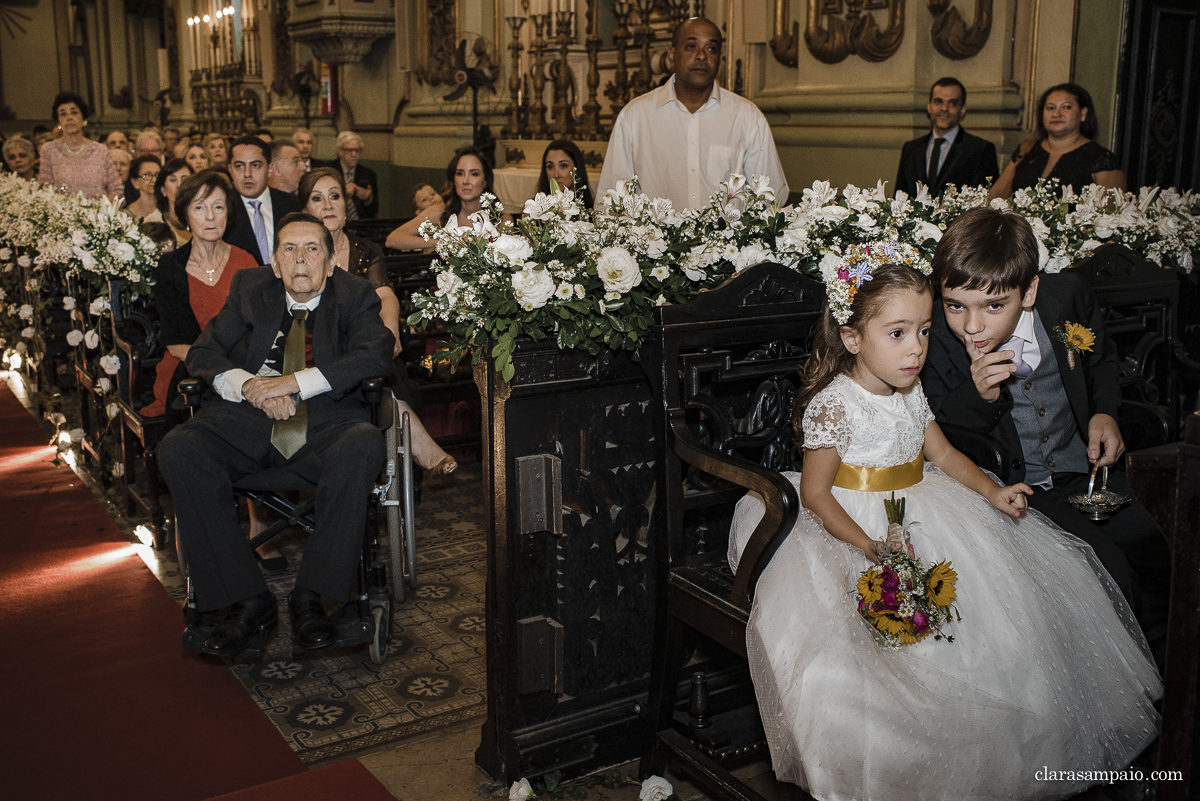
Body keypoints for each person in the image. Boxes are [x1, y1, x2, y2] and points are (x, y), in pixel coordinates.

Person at [729, 252, 1160, 799]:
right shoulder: (835, 405)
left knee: (994, 622)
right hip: (853, 523)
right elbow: (815, 494)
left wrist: (992, 490)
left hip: (926, 506)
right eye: (898, 333)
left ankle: (986, 761)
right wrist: (868, 547)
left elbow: (948, 455)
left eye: (926, 332)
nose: (917, 349)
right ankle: (895, 771)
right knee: (884, 652)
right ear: (854, 338)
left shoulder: (912, 392)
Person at [920, 206, 1171, 661]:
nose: (972, 326)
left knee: (1170, 538)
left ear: (1030, 289)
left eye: (994, 306)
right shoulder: (935, 334)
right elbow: (936, 430)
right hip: (1019, 489)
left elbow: (1101, 360)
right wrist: (979, 396)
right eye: (957, 305)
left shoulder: (1066, 297)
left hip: (1089, 472)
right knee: (1106, 567)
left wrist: (1105, 413)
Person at [158, 211, 394, 656]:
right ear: (274, 261)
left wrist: (291, 384)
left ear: (329, 262)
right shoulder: (250, 290)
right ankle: (245, 600)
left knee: (363, 443)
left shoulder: (355, 295)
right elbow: (204, 353)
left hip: (325, 424)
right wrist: (251, 387)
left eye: (312, 249)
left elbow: (374, 357)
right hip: (246, 421)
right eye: (289, 249)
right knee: (180, 448)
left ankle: (313, 598)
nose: (300, 259)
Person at [302, 167, 457, 476]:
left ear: (346, 207)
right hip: (317, 355)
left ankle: (411, 461)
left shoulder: (364, 250)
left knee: (381, 358)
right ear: (305, 211)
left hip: (364, 348)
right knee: (369, 363)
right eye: (317, 199)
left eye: (335, 196)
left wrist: (389, 330)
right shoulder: (296, 253)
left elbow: (385, 295)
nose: (329, 204)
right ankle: (423, 448)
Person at [595, 17, 787, 210]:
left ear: (720, 58)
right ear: (672, 55)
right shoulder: (636, 116)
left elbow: (770, 195)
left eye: (711, 48)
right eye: (691, 47)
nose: (702, 56)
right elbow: (613, 196)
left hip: (727, 240)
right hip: (656, 239)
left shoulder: (746, 117)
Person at [142, 168, 259, 420]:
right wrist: (223, 374)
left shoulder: (246, 261)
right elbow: (175, 343)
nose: (210, 217)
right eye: (199, 208)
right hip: (189, 371)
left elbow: (260, 328)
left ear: (228, 213)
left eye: (218, 207)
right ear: (185, 215)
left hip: (246, 367)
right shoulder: (170, 268)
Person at [989, 83, 1126, 199]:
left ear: (1083, 113)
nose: (1056, 114)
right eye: (1050, 108)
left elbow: (1111, 217)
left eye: (1066, 107)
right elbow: (995, 197)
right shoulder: (1027, 149)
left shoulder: (1101, 159)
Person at [894, 77, 998, 198]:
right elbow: (900, 198)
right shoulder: (911, 149)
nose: (944, 108)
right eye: (938, 101)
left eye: (952, 103)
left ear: (962, 109)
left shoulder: (981, 150)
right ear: (929, 107)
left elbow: (984, 204)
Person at [223, 135, 300, 265]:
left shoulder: (291, 204)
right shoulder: (222, 208)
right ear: (230, 170)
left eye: (255, 165)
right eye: (239, 166)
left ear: (269, 169)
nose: (247, 174)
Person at [37, 92, 122, 199]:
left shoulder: (100, 150)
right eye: (63, 114)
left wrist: (99, 209)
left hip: (98, 213)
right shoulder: (49, 150)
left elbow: (116, 189)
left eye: (74, 112)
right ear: (58, 122)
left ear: (84, 119)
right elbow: (45, 190)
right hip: (63, 213)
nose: (69, 118)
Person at [440, 146, 512, 229]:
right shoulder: (442, 214)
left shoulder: (502, 221)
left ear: (485, 181)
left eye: (474, 174)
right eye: (460, 174)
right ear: (453, 180)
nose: (465, 181)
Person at [145, 157, 195, 245]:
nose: (179, 185)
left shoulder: (204, 219)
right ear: (163, 190)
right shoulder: (154, 222)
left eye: (185, 179)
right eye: (173, 180)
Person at [384, 182, 446, 251]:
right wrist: (437, 242)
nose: (431, 198)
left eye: (433, 194)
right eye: (424, 200)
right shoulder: (423, 225)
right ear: (419, 212)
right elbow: (391, 240)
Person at [536, 139, 594, 208]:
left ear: (576, 168)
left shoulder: (592, 210)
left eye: (563, 166)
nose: (556, 175)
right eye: (550, 167)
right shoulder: (534, 209)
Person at [333, 130, 377, 220]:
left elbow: (374, 210)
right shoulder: (330, 171)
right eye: (349, 150)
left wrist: (368, 199)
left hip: (361, 225)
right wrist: (343, 192)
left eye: (357, 150)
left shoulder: (368, 174)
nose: (354, 154)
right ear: (340, 151)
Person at [124, 155, 162, 220]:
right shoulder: (126, 215)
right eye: (147, 175)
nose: (154, 180)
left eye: (157, 175)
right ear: (135, 182)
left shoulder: (166, 211)